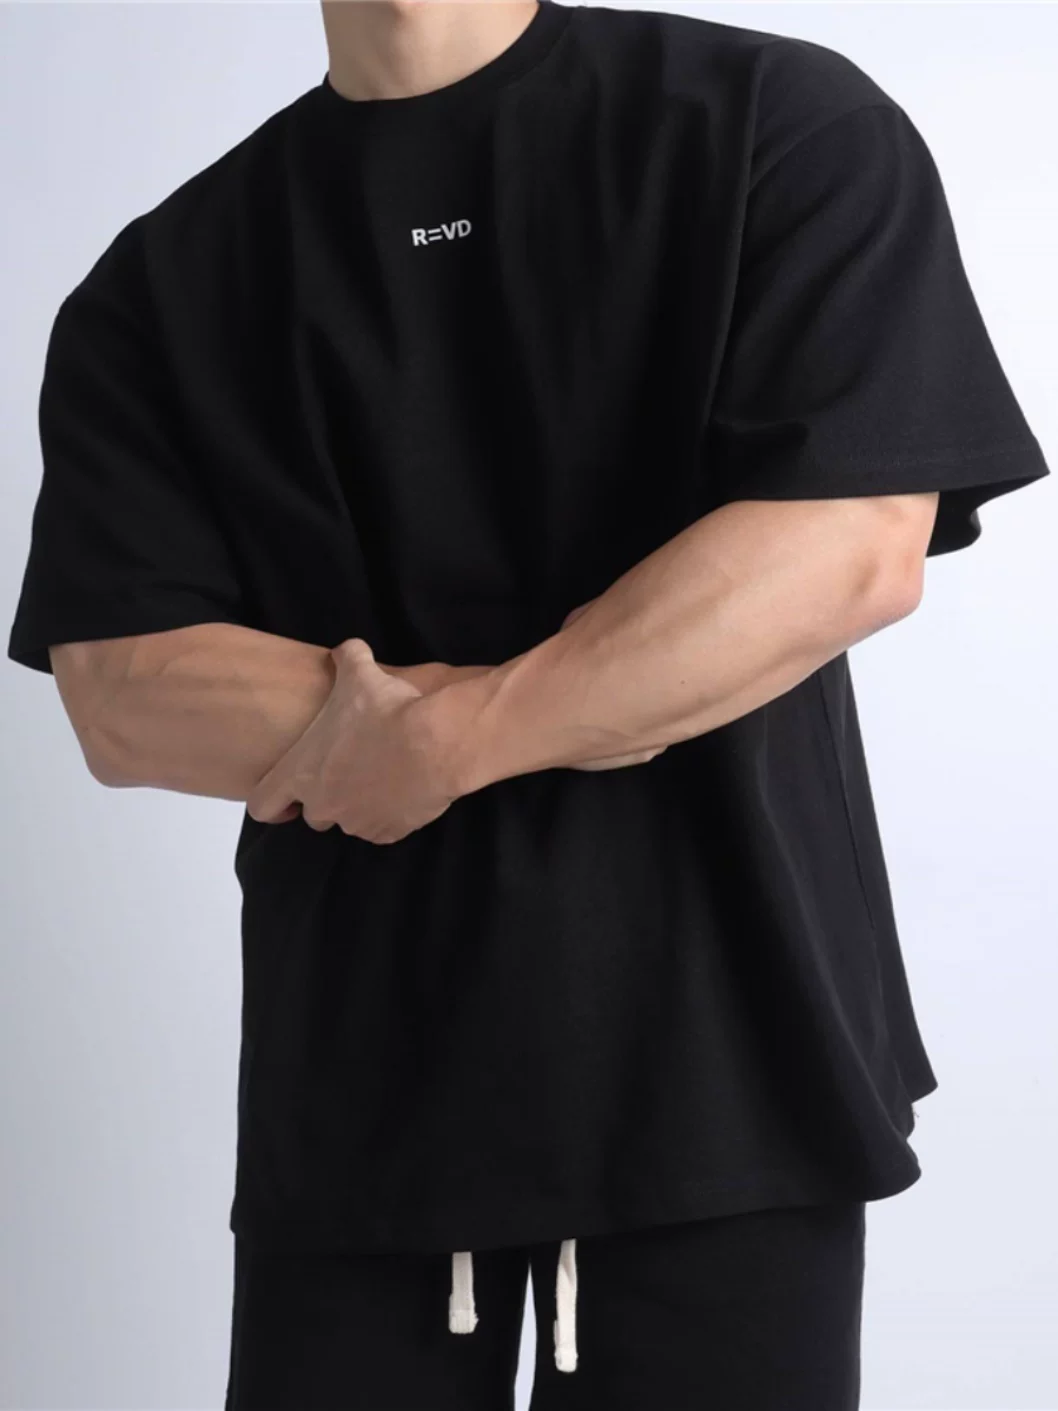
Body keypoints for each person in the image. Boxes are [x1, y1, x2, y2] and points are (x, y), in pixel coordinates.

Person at [7, 1, 1050, 1407]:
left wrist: (449, 738)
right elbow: (124, 693)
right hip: (366, 1092)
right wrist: (594, 689)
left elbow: (848, 546)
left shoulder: (773, 122)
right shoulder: (163, 281)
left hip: (729, 1064)